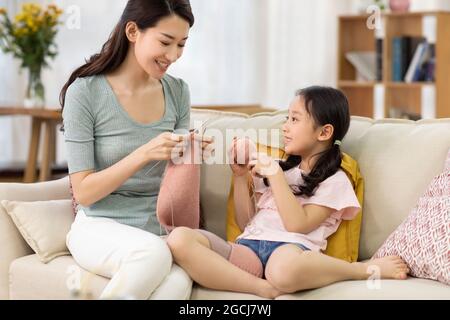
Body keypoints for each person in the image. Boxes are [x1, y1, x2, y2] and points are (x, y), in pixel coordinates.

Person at [167, 86, 410, 299]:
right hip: (248, 250)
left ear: (324, 132)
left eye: (294, 120)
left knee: (283, 271)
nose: (285, 127)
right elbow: (245, 223)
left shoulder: (335, 180)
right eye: (287, 118)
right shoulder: (281, 169)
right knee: (179, 239)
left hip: (290, 253)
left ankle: (361, 271)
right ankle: (261, 289)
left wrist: (274, 175)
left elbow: (297, 224)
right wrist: (241, 177)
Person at [61, 0, 212, 300]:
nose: (174, 55)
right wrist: (144, 152)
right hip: (99, 226)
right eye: (165, 42)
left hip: (159, 230)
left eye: (182, 44)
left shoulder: (178, 91)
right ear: (133, 31)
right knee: (153, 255)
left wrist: (191, 152)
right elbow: (85, 193)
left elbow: (176, 177)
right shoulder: (85, 92)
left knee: (177, 283)